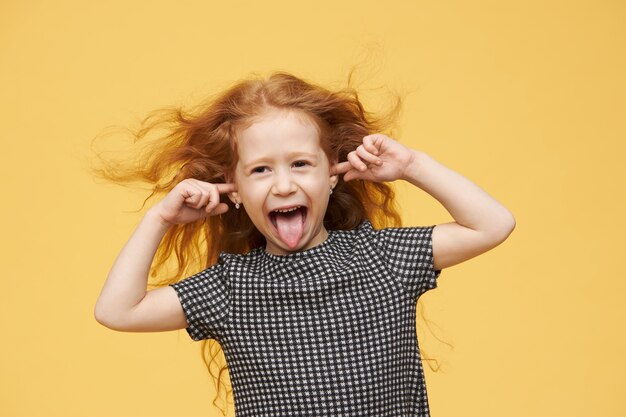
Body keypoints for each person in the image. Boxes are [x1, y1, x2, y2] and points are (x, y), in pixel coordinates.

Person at [94, 71, 515, 417]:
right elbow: (117, 310)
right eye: (260, 170)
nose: (283, 184)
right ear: (234, 188)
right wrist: (160, 218)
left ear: (331, 174)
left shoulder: (384, 259)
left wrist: (411, 165)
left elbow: (492, 224)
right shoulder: (230, 289)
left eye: (300, 164)